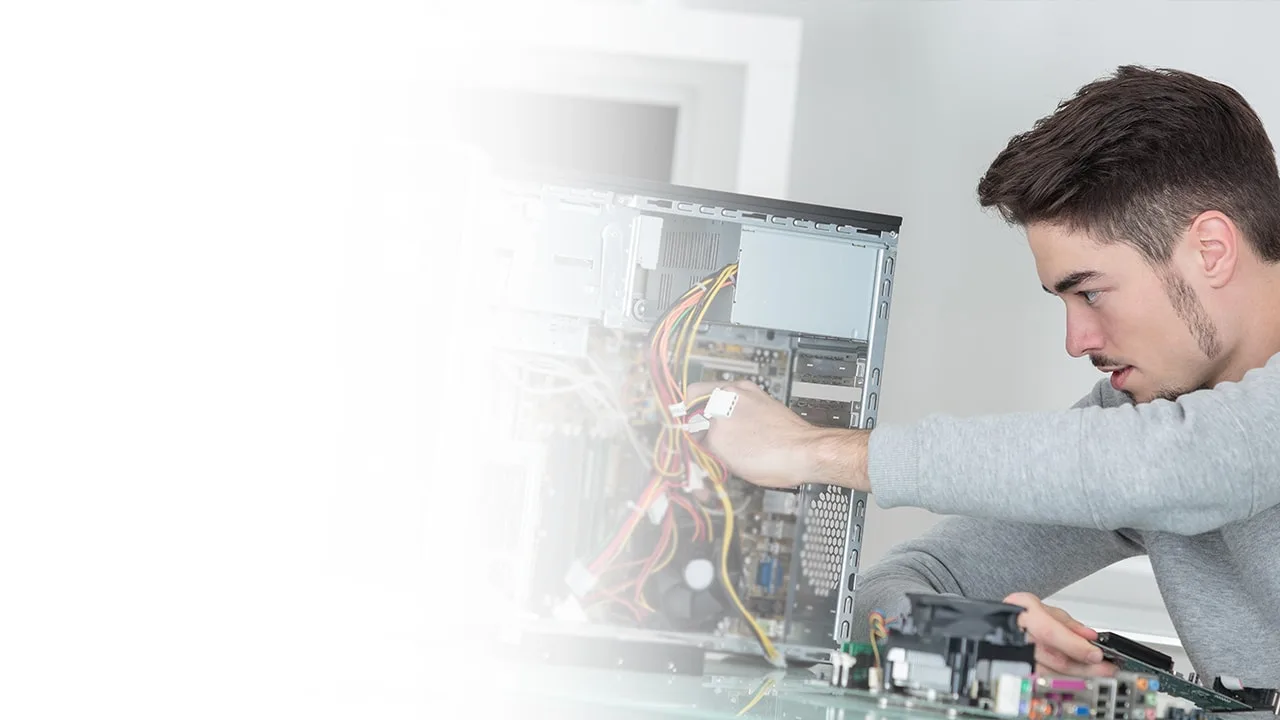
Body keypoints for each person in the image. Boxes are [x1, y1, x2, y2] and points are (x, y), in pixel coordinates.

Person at [687, 65, 1280, 684]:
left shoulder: (1161, 453)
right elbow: (882, 595)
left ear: (1210, 250)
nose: (1077, 342)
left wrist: (813, 451)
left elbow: (1184, 464)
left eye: (1092, 293)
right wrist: (983, 637)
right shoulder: (1137, 422)